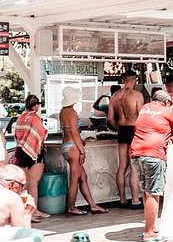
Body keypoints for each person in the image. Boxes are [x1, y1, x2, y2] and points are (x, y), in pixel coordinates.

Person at [129, 89, 173, 242]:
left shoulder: (145, 108)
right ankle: (149, 234)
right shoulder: (168, 111)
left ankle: (153, 227)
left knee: (146, 192)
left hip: (136, 154)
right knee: (154, 193)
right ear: (167, 102)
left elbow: (153, 127)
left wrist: (168, 135)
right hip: (154, 154)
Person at [59, 86, 106, 216]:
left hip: (66, 145)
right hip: (73, 147)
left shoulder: (62, 111)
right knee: (74, 179)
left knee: (83, 177)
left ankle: (92, 205)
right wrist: (82, 151)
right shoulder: (73, 113)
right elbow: (75, 133)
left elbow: (67, 131)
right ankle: (71, 207)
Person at [108, 70, 145, 209]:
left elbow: (110, 119)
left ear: (123, 80)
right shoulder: (137, 95)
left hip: (122, 130)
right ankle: (135, 200)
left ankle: (122, 199)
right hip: (134, 130)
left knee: (122, 165)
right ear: (134, 80)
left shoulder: (115, 96)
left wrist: (118, 128)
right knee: (133, 166)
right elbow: (141, 117)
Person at [13, 94, 50, 220]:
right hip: (34, 152)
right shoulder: (35, 118)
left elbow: (16, 135)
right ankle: (34, 211)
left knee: (25, 183)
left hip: (21, 151)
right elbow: (41, 134)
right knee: (34, 182)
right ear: (35, 106)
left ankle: (24, 211)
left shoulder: (20, 118)